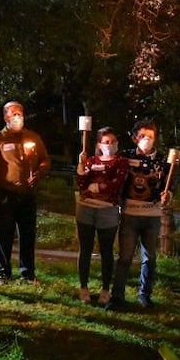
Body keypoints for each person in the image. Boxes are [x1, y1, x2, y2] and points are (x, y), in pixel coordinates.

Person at [0, 100, 51, 284]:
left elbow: (45, 159)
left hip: (27, 194)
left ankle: (28, 272)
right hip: (5, 194)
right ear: (5, 117)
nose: (18, 117)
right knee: (4, 235)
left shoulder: (33, 138)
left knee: (27, 235)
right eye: (13, 114)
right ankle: (3, 273)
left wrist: (38, 173)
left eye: (20, 113)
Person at [106, 119, 170, 311]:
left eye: (150, 136)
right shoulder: (125, 157)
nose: (146, 140)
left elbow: (167, 185)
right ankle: (117, 296)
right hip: (130, 214)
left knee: (149, 258)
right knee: (125, 257)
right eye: (142, 136)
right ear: (135, 138)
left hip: (152, 215)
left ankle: (145, 295)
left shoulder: (163, 160)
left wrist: (167, 194)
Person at [75, 126, 130, 304]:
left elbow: (116, 183)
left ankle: (105, 289)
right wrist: (81, 166)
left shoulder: (121, 162)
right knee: (85, 249)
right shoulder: (91, 161)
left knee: (107, 251)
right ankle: (83, 287)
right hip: (86, 209)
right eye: (106, 142)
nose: (110, 145)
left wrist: (97, 187)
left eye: (113, 141)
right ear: (99, 144)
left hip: (107, 210)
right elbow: (82, 183)